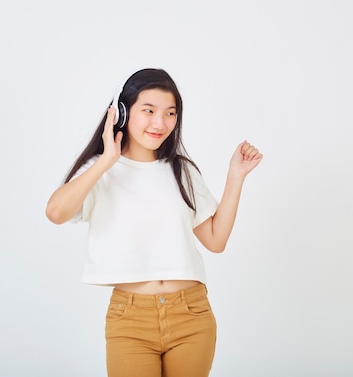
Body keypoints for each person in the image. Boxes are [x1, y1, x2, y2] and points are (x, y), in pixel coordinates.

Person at [45, 68, 262, 377]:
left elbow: (216, 240)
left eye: (170, 113)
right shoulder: (100, 170)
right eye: (149, 111)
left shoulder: (180, 170)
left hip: (191, 313)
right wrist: (107, 160)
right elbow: (56, 213)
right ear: (122, 112)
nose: (160, 123)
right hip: (130, 319)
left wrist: (236, 176)